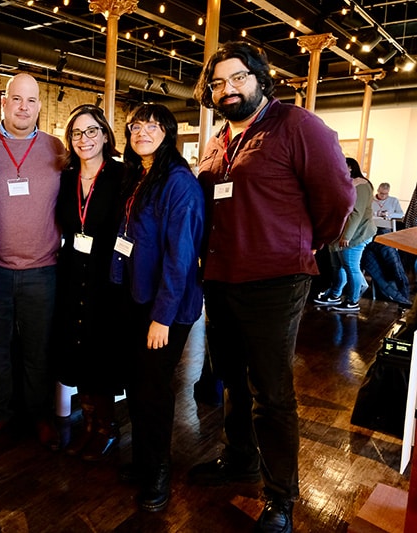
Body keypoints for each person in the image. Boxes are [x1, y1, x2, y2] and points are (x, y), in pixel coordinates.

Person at [189, 42, 354, 533]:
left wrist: (298, 245)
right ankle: (238, 457)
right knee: (231, 380)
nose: (227, 89)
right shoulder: (222, 137)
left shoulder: (297, 126)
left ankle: (281, 495)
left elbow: (337, 197)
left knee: (271, 391)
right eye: (218, 83)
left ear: (261, 77)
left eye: (237, 78)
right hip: (221, 277)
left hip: (275, 281)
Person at [110, 104, 204, 512]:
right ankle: (145, 459)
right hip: (135, 296)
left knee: (153, 390)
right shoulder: (138, 175)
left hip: (164, 306)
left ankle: (159, 469)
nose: (143, 131)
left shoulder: (179, 183)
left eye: (153, 125)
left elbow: (180, 256)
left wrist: (162, 317)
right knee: (135, 383)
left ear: (168, 132)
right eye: (136, 125)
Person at [0, 73, 66, 446]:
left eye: (31, 100)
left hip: (45, 270)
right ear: (4, 103)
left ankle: (39, 415)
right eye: (16, 99)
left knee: (38, 350)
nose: (23, 107)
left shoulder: (56, 148)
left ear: (40, 106)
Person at [53, 104, 126, 460]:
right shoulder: (66, 177)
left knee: (103, 352)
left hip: (106, 277)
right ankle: (89, 424)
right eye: (77, 133)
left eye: (92, 131)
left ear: (105, 135)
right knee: (77, 349)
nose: (85, 139)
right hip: (72, 273)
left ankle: (107, 427)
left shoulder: (121, 175)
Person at [313, 157, 376, 313]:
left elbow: (357, 213)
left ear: (349, 168)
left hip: (355, 234)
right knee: (337, 266)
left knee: (351, 267)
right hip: (339, 234)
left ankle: (352, 301)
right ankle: (335, 295)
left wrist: (346, 236)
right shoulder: (345, 184)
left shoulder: (360, 185)